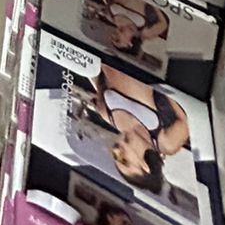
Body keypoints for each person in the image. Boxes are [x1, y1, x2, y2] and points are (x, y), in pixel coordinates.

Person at [81, 62, 191, 194]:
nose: (117, 151)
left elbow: (93, 69)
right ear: (145, 166)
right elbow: (187, 111)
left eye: (115, 156)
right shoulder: (168, 142)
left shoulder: (108, 115)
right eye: (124, 160)